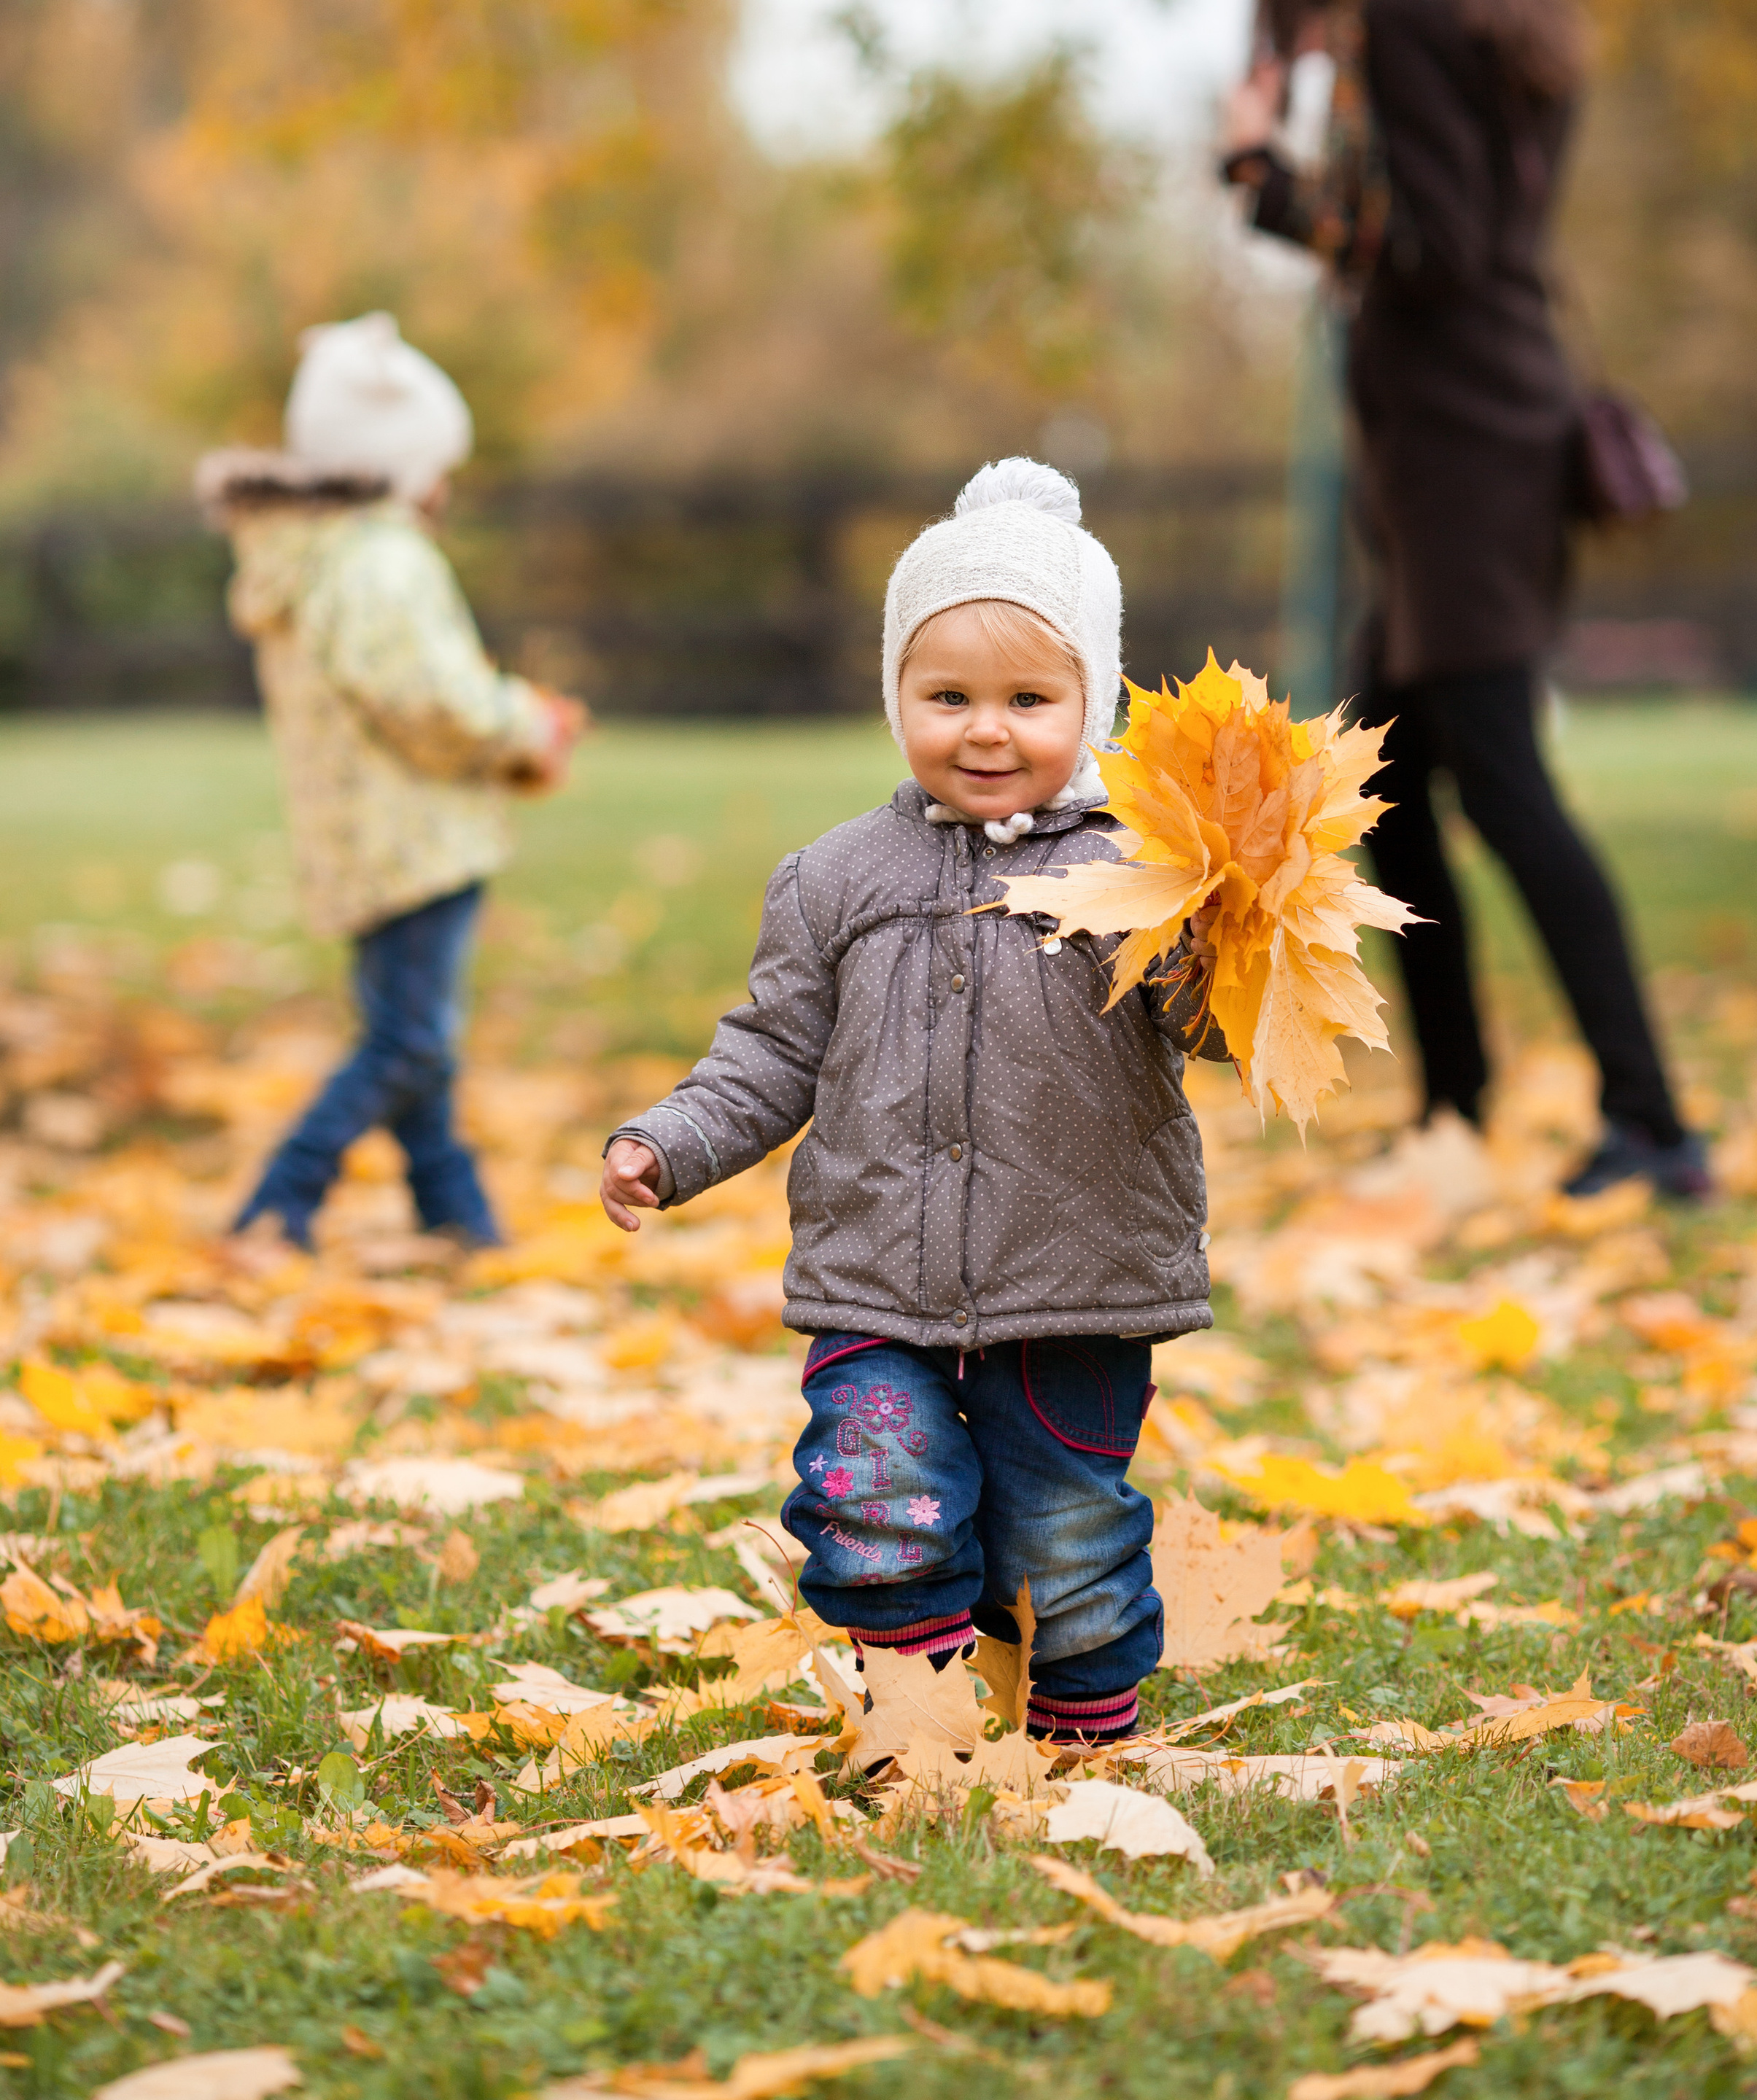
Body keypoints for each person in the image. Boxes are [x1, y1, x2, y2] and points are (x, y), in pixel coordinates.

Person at [599, 459, 1224, 1745]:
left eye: (1028, 699)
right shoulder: (835, 878)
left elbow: (1209, 1027)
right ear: (897, 695)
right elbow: (770, 1052)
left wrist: (1221, 938)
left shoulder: (1140, 870)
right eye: (948, 697)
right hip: (875, 1269)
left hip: (1079, 1276)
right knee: (873, 1496)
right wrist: (668, 1143)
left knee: (1063, 1536)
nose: (985, 731)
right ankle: (924, 1713)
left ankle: (1083, 1738)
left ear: (1091, 701)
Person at [1217, 0, 1708, 1202]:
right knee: (1388, 782)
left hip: (1462, 461)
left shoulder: (1415, 17)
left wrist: (1265, 183)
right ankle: (1458, 1112)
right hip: (1482, 443)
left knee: (1495, 785)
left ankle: (1652, 1126)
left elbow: (1428, 248)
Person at [200, 312, 585, 1250]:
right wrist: (525, 724)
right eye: (436, 464)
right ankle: (281, 1197)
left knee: (418, 1033)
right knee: (407, 1041)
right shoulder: (380, 560)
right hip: (415, 838)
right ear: (399, 465)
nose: (443, 483)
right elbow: (430, 700)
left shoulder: (321, 556)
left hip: (364, 837)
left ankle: (452, 1209)